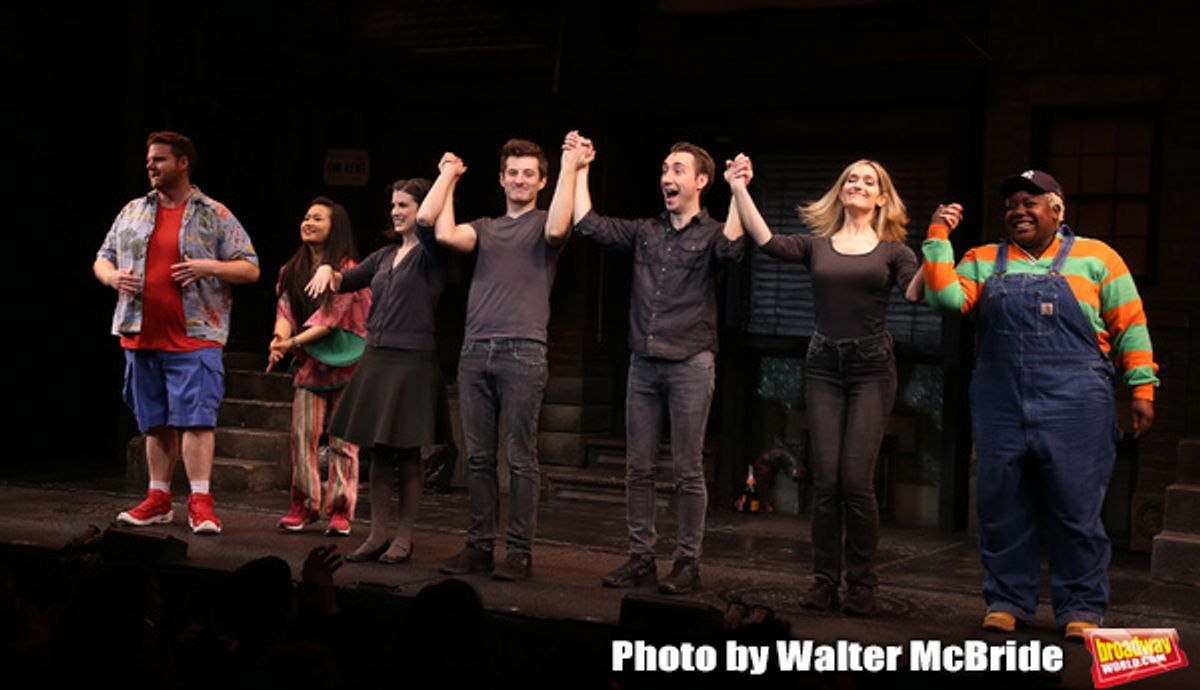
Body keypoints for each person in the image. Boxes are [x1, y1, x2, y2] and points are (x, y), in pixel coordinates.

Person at [922, 170, 1158, 639]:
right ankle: (1008, 601)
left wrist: (1142, 388)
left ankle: (1082, 609)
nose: (1018, 210)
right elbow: (945, 297)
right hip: (999, 398)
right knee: (1002, 503)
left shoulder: (1098, 258)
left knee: (1076, 508)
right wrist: (937, 237)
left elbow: (1130, 323)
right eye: (1011, 203)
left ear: (1057, 210)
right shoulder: (982, 258)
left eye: (1031, 202)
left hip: (1077, 400)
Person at [725, 156, 922, 614]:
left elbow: (916, 293)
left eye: (868, 180)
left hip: (872, 368)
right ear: (841, 191)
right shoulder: (819, 246)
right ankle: (822, 582)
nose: (857, 184)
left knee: (856, 481)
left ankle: (863, 587)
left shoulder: (896, 252)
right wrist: (739, 188)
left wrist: (939, 246)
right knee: (828, 480)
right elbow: (767, 241)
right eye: (850, 178)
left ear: (882, 197)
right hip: (824, 366)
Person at [573, 137, 745, 595]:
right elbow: (587, 224)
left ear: (701, 181)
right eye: (665, 170)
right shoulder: (646, 231)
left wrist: (739, 188)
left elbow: (732, 250)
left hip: (690, 361)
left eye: (678, 171)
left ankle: (688, 563)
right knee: (638, 468)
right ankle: (641, 558)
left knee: (688, 470)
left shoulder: (712, 233)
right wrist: (579, 167)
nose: (668, 178)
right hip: (644, 364)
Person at [415, 135, 583, 581]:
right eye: (513, 173)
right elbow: (441, 229)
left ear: (541, 181)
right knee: (478, 459)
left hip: (523, 351)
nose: (520, 180)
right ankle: (478, 546)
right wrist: (447, 175)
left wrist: (571, 166)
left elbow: (558, 230)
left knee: (520, 456)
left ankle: (521, 552)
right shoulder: (486, 227)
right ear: (502, 179)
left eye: (529, 174)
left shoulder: (546, 222)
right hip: (476, 351)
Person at [95, 131, 260, 535]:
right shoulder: (133, 210)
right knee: (154, 422)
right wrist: (113, 277)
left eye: (160, 160)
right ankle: (159, 499)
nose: (150, 166)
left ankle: (201, 503)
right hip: (140, 332)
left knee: (197, 420)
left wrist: (209, 267)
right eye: (150, 160)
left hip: (194, 334)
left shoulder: (213, 213)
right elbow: (102, 258)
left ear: (183, 163)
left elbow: (250, 267)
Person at [305, 179, 443, 563]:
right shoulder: (385, 256)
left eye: (405, 205)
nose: (396, 211)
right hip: (379, 356)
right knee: (379, 451)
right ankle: (378, 533)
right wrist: (328, 269)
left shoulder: (433, 252)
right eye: (394, 205)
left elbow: (433, 223)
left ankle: (404, 536)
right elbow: (345, 280)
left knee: (407, 452)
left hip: (412, 358)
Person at [267, 197, 370, 536]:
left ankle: (340, 509)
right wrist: (278, 340)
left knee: (343, 440)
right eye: (306, 217)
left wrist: (292, 343)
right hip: (310, 366)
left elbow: (329, 320)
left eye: (318, 219)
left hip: (345, 365)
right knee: (302, 435)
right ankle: (304, 505)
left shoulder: (347, 271)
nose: (308, 222)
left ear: (334, 228)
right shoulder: (291, 270)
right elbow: (285, 313)